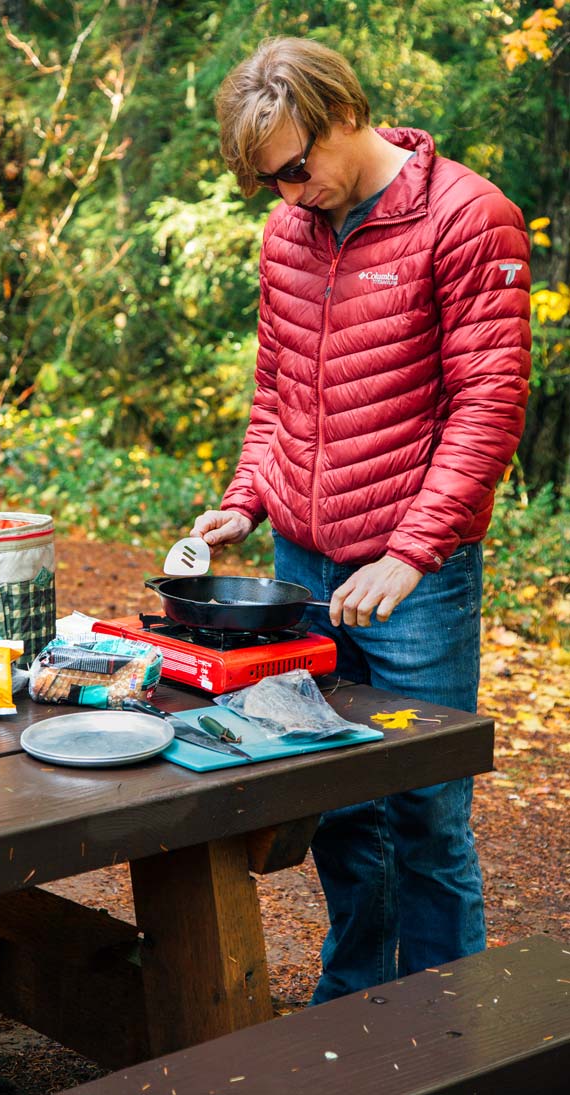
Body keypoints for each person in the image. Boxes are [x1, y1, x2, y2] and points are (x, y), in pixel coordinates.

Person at [191, 36, 531, 1004]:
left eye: (299, 168)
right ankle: (350, 1003)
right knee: (334, 797)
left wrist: (413, 553)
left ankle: (438, 1019)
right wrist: (243, 500)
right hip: (303, 557)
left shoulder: (469, 219)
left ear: (346, 111)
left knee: (423, 808)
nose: (290, 194)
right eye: (271, 182)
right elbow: (277, 394)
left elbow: (486, 407)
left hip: (412, 575)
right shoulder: (289, 234)